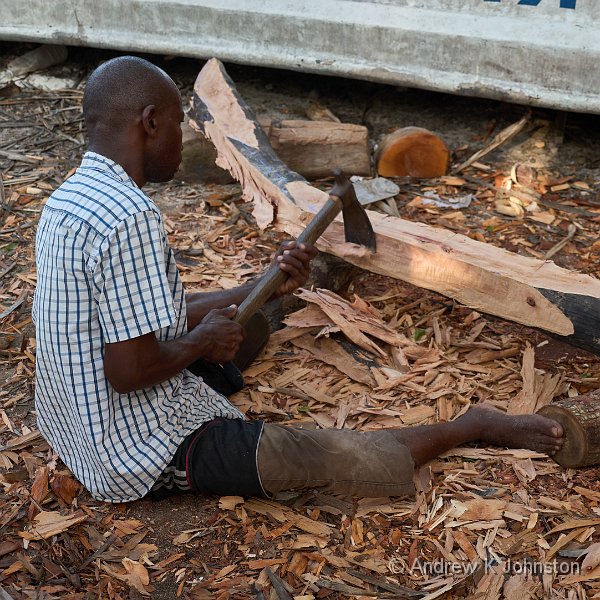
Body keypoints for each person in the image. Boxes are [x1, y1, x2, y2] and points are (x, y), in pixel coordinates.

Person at [33, 56, 565, 504]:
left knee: (242, 327)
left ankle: (247, 328)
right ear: (149, 122)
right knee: (317, 457)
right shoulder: (130, 216)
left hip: (76, 424)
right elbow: (129, 372)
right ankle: (473, 423)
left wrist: (263, 285)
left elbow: (140, 317)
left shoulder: (69, 200)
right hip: (128, 450)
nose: (182, 138)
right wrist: (201, 342)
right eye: (179, 125)